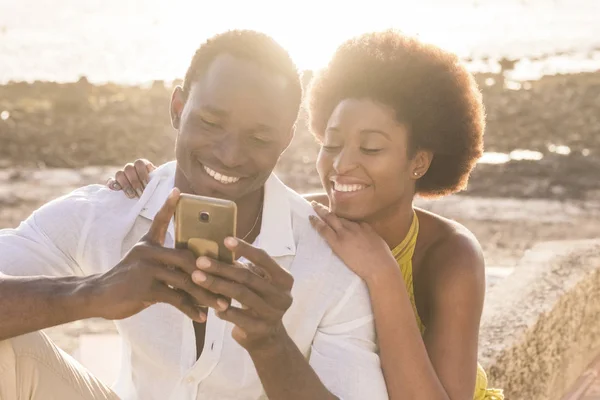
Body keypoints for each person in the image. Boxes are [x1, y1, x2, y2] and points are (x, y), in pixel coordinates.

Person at [109, 31, 504, 399]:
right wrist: (152, 179)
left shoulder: (451, 256)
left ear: (418, 161)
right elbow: (223, 187)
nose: (342, 165)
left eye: (370, 149)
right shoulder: (303, 217)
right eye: (331, 144)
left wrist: (382, 273)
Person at [0, 30, 389, 400]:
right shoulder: (113, 211)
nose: (230, 155)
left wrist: (271, 342)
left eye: (259, 137)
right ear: (177, 109)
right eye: (210, 122)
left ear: (286, 141)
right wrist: (94, 292)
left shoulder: (329, 265)